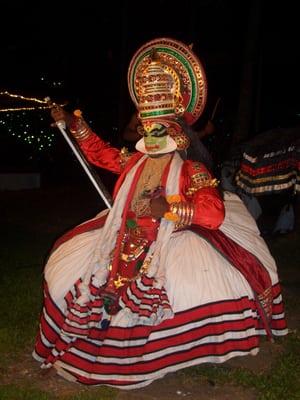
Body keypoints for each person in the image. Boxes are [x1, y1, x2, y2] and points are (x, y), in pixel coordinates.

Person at [33, 37, 288, 389]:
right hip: (125, 239)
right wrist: (74, 125)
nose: (148, 134)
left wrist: (170, 208)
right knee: (87, 285)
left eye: (157, 129)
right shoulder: (134, 161)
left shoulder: (191, 171)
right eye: (145, 127)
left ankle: (158, 351)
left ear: (176, 133)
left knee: (178, 295)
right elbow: (100, 153)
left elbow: (213, 215)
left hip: (169, 243)